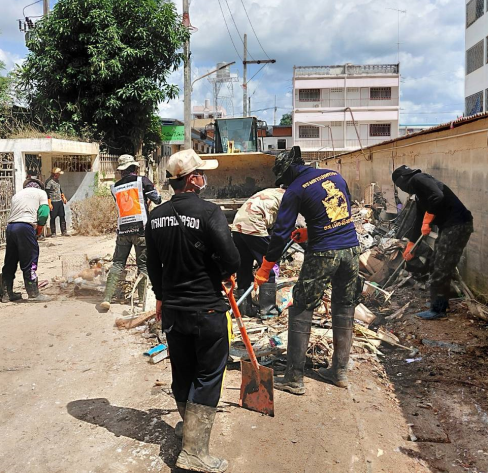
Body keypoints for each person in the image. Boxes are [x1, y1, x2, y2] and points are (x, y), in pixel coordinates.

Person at [145, 149, 239, 473]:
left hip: (173, 311)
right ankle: (195, 452)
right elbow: (232, 259)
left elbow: (152, 264)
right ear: (193, 179)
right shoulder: (210, 212)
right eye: (201, 173)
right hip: (207, 310)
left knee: (182, 371)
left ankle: (189, 429)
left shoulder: (155, 217)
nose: (204, 178)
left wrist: (160, 296)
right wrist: (223, 270)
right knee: (208, 375)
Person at [255, 146, 361, 395]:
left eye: (284, 179)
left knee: (302, 306)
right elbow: (338, 215)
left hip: (323, 254)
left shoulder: (295, 190)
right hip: (351, 250)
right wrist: (309, 232)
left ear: (289, 171)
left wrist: (266, 267)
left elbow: (280, 233)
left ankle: (294, 378)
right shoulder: (334, 175)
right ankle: (340, 372)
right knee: (344, 305)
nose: (284, 185)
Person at [392, 165, 474, 320]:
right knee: (437, 263)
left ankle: (438, 310)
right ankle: (440, 302)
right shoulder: (419, 195)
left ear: (402, 180)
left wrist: (427, 221)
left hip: (458, 225)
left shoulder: (418, 179)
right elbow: (418, 220)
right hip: (449, 227)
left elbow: (438, 196)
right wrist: (411, 245)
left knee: (441, 266)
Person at [97, 154, 162, 313]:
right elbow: (157, 199)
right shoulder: (142, 181)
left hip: (123, 230)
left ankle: (107, 298)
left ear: (121, 171)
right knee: (143, 265)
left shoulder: (114, 187)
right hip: (141, 230)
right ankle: (142, 300)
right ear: (134, 168)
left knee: (118, 263)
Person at [231, 187, 286, 318]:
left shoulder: (272, 192)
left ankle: (244, 308)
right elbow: (284, 225)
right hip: (254, 225)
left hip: (237, 226)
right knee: (269, 265)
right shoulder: (290, 197)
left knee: (244, 267)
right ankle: (268, 310)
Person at [0, 175, 51, 302]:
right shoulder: (41, 193)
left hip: (11, 227)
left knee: (10, 260)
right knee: (30, 259)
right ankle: (33, 293)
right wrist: (39, 228)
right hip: (25, 227)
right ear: (39, 186)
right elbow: (44, 212)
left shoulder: (17, 195)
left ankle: (6, 294)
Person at [45, 167, 68, 236]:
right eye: (58, 174)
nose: (59, 175)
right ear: (55, 174)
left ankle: (64, 231)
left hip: (59, 201)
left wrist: (63, 197)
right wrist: (49, 203)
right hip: (53, 201)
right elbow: (47, 193)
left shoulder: (57, 181)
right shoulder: (49, 182)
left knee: (62, 216)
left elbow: (59, 189)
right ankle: (53, 232)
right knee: (53, 217)